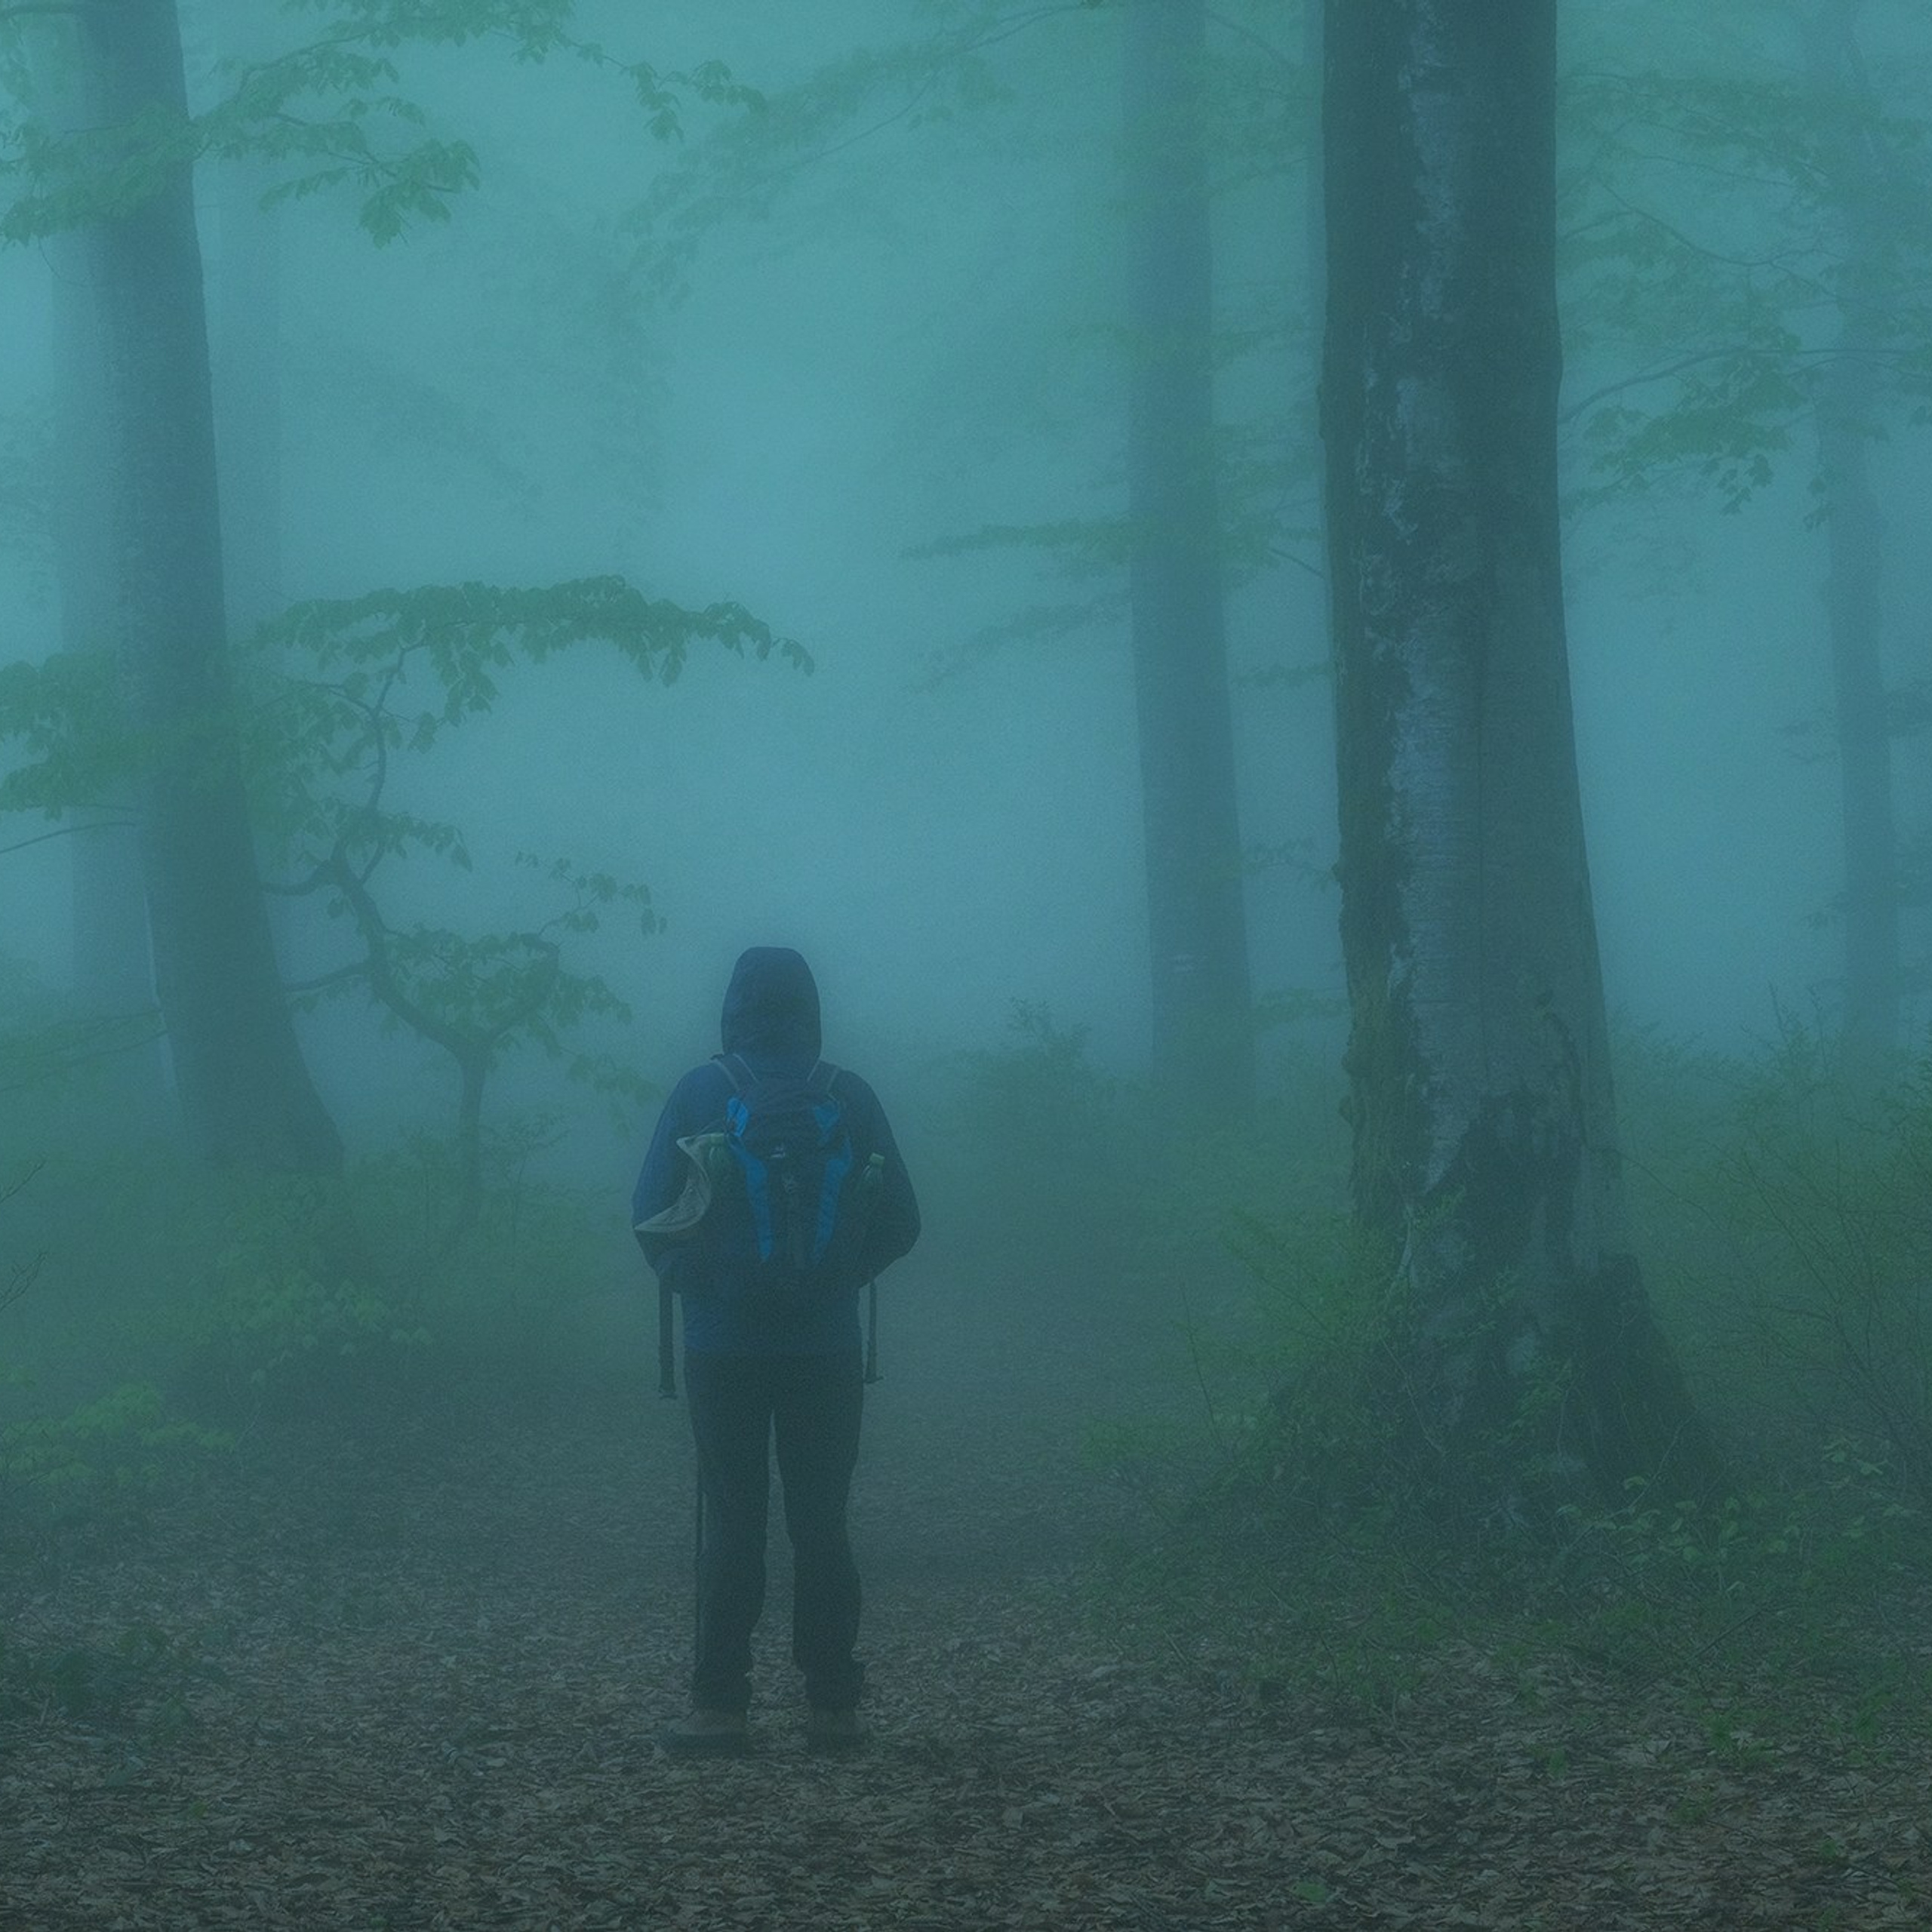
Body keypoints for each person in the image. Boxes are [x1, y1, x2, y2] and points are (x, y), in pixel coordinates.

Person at [632, 946, 920, 1756]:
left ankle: (719, 1709)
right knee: (821, 1522)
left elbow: (647, 1212)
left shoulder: (702, 1091)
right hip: (825, 1349)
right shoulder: (848, 1095)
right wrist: (835, 1277)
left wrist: (704, 1280)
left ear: (732, 1007)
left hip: (722, 1347)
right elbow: (903, 1219)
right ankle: (833, 1708)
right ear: (810, 1007)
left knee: (732, 1520)